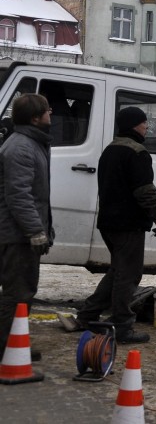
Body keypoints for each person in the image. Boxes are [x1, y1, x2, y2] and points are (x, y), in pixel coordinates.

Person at [75, 106, 156, 344]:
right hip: (128, 224)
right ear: (134, 125)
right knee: (128, 275)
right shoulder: (137, 152)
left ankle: (87, 315)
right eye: (144, 122)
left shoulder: (110, 150)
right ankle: (122, 327)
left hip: (109, 222)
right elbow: (145, 191)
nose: (147, 127)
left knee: (118, 270)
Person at [0, 94, 53, 360]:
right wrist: (35, 230)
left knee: (22, 292)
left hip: (18, 232)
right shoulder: (22, 147)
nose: (50, 114)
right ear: (35, 118)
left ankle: (14, 345)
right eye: (47, 111)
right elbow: (19, 195)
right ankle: (7, 351)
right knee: (17, 294)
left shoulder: (32, 143)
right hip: (16, 235)